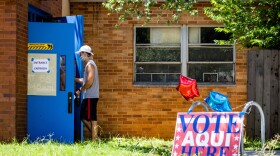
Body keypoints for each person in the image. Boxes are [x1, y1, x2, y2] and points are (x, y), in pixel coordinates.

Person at [75, 45, 99, 141]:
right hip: (90, 96)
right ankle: (96, 137)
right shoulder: (89, 64)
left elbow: (89, 82)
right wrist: (74, 79)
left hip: (90, 96)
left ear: (85, 53)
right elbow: (85, 80)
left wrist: (80, 90)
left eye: (81, 54)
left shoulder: (90, 65)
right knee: (85, 117)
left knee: (91, 118)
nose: (80, 56)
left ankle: (95, 139)